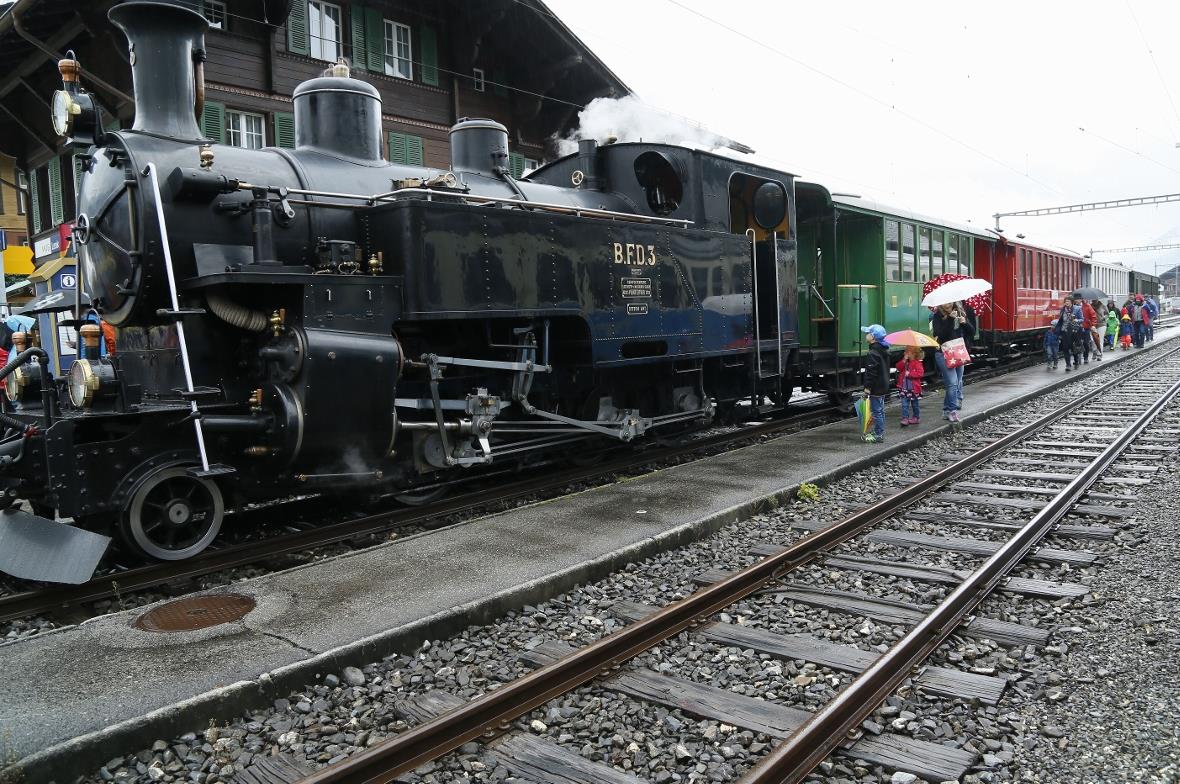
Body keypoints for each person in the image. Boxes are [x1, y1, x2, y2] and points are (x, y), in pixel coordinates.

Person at [929, 301, 969, 422]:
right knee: (952, 383)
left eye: (950, 303)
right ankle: (952, 411)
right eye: (946, 303)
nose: (948, 305)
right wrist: (950, 320)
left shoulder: (960, 313)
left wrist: (965, 323)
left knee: (956, 383)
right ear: (940, 304)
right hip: (943, 353)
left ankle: (946, 410)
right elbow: (939, 335)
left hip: (958, 352)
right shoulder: (936, 316)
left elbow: (971, 332)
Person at [861, 324, 890, 443]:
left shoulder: (873, 353)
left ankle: (879, 434)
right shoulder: (884, 350)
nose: (866, 335)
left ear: (873, 337)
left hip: (876, 387)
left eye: (868, 333)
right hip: (883, 385)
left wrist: (867, 388)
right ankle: (880, 431)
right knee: (880, 410)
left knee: (876, 411)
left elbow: (871, 373)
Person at [895, 345, 924, 426]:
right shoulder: (905, 362)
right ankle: (905, 418)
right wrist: (904, 360)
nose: (905, 353)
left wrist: (910, 374)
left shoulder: (917, 363)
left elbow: (920, 373)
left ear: (913, 354)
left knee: (915, 404)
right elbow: (898, 367)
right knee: (904, 404)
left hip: (913, 389)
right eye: (905, 351)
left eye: (907, 352)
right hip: (904, 388)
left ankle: (916, 417)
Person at [1055, 296, 1081, 372]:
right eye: (1066, 301)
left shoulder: (1077, 309)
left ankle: (1076, 362)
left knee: (1074, 348)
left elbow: (1082, 319)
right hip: (1065, 331)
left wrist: (1076, 320)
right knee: (1065, 348)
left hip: (1073, 331)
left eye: (1068, 301)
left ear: (1072, 302)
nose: (1066, 303)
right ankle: (1068, 365)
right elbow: (1061, 320)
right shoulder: (1063, 310)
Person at [1080, 298, 1097, 363]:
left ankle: (1085, 357)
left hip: (1086, 327)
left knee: (1085, 343)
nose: (1078, 300)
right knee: (1077, 343)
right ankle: (1077, 359)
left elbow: (1093, 316)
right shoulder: (1073, 307)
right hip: (1077, 327)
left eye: (1080, 299)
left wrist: (1093, 325)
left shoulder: (1087, 306)